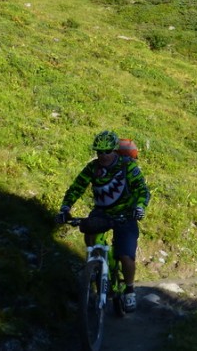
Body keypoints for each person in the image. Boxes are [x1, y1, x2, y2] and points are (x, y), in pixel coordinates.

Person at [56, 130, 151, 312]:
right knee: (90, 235)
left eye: (106, 151)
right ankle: (95, 269)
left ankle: (129, 289)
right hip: (101, 213)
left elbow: (142, 190)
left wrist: (140, 207)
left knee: (126, 255)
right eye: (99, 151)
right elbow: (76, 187)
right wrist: (65, 208)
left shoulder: (127, 166)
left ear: (115, 150)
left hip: (126, 214)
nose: (102, 155)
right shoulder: (93, 168)